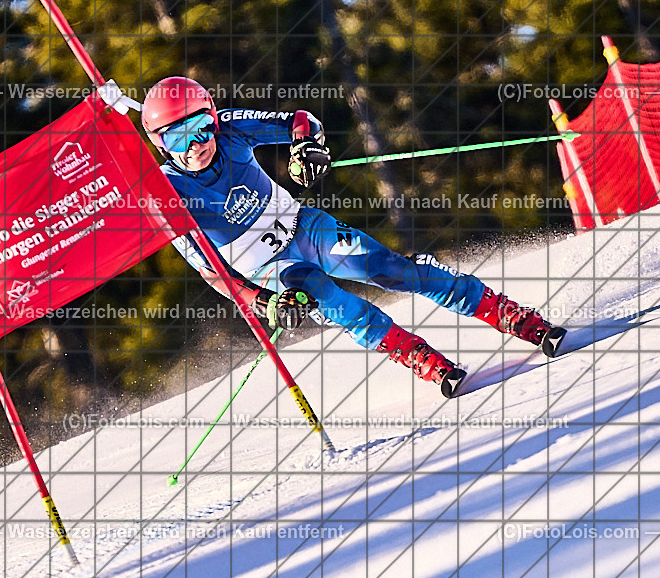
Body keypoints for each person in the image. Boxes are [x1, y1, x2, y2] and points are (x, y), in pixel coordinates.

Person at [141, 76, 564, 396]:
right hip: (274, 271)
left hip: (303, 227)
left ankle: (508, 313)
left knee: (389, 270)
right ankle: (416, 355)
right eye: (178, 137)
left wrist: (304, 148)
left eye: (201, 126)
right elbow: (212, 274)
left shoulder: (230, 130)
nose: (197, 143)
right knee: (338, 304)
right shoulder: (167, 194)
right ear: (161, 144)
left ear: (213, 116)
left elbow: (301, 121)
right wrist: (264, 303)